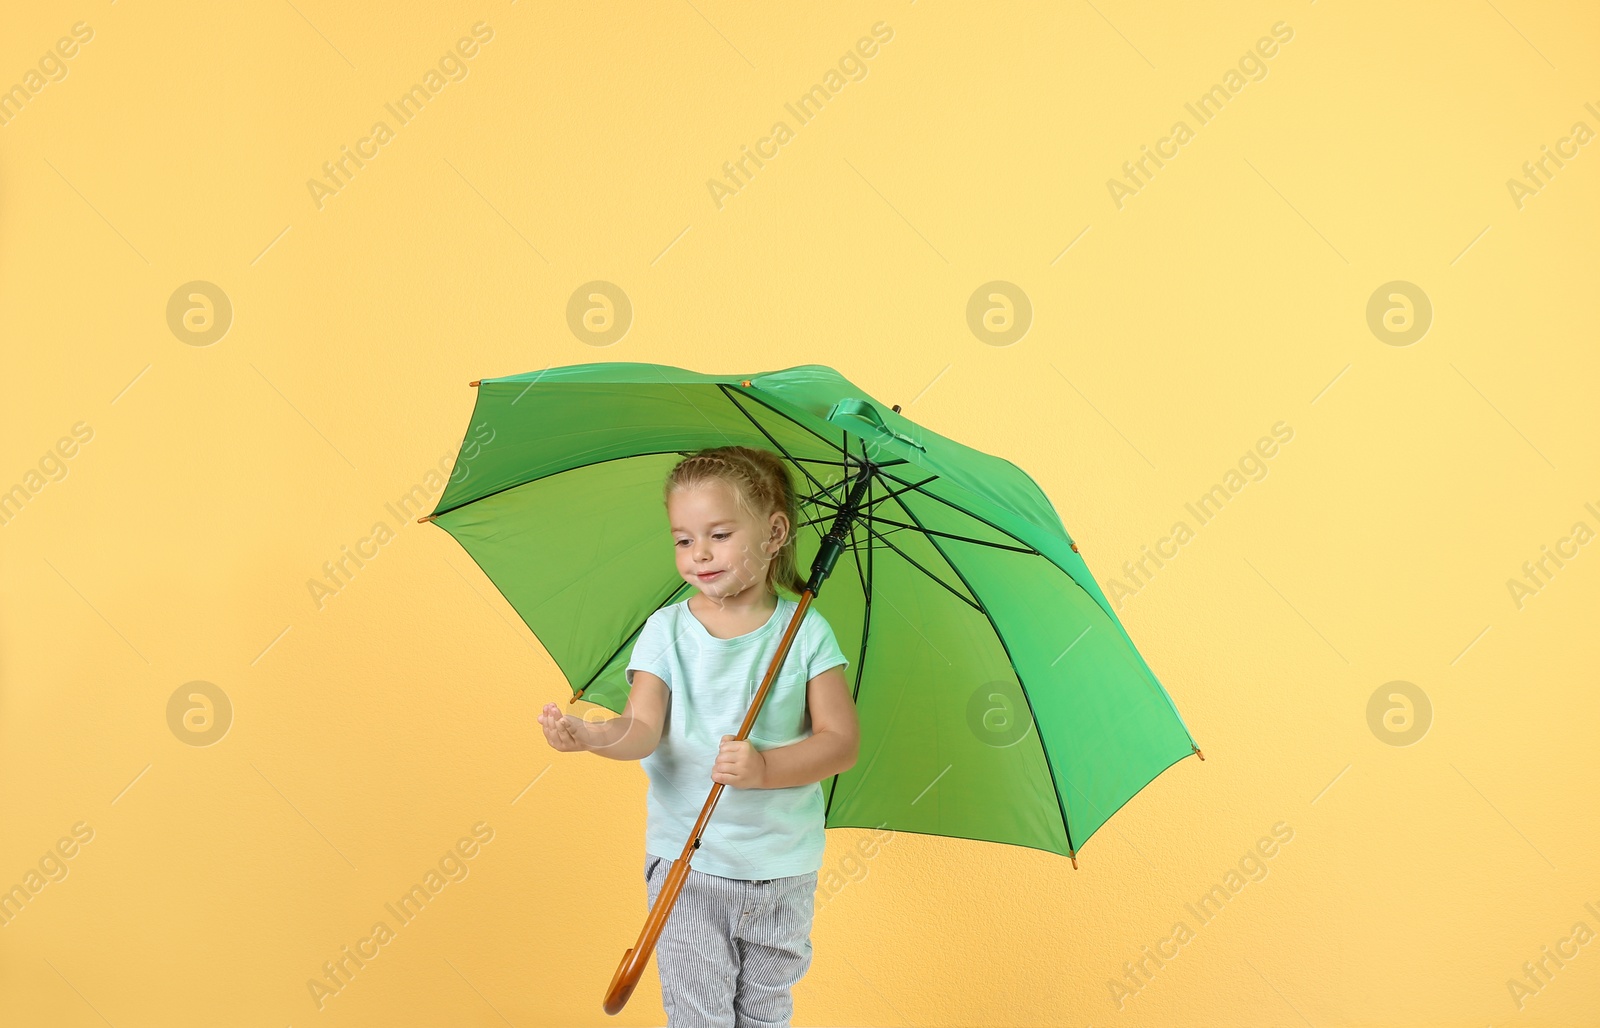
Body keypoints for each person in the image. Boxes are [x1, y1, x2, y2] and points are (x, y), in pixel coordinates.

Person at [536, 444, 860, 1027]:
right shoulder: (667, 631)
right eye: (683, 540)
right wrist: (591, 736)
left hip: (780, 870)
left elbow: (840, 742)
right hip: (687, 866)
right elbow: (640, 729)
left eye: (719, 534)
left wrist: (764, 769)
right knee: (698, 1017)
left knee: (764, 1016)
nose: (699, 555)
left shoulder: (806, 632)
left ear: (774, 532)